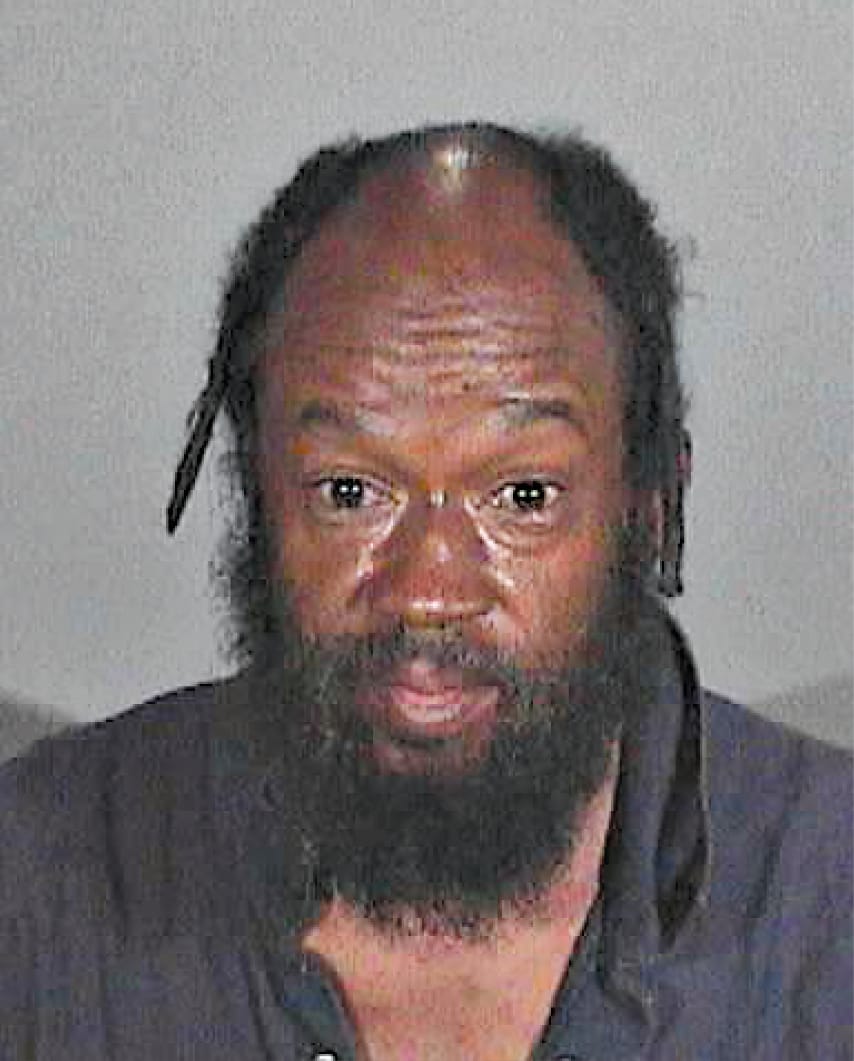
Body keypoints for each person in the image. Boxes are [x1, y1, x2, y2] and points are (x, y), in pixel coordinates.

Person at [1, 122, 850, 1060]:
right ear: (256, 494)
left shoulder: (828, 909)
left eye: (523, 496)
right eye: (349, 491)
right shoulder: (38, 886)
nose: (427, 592)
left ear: (650, 507)